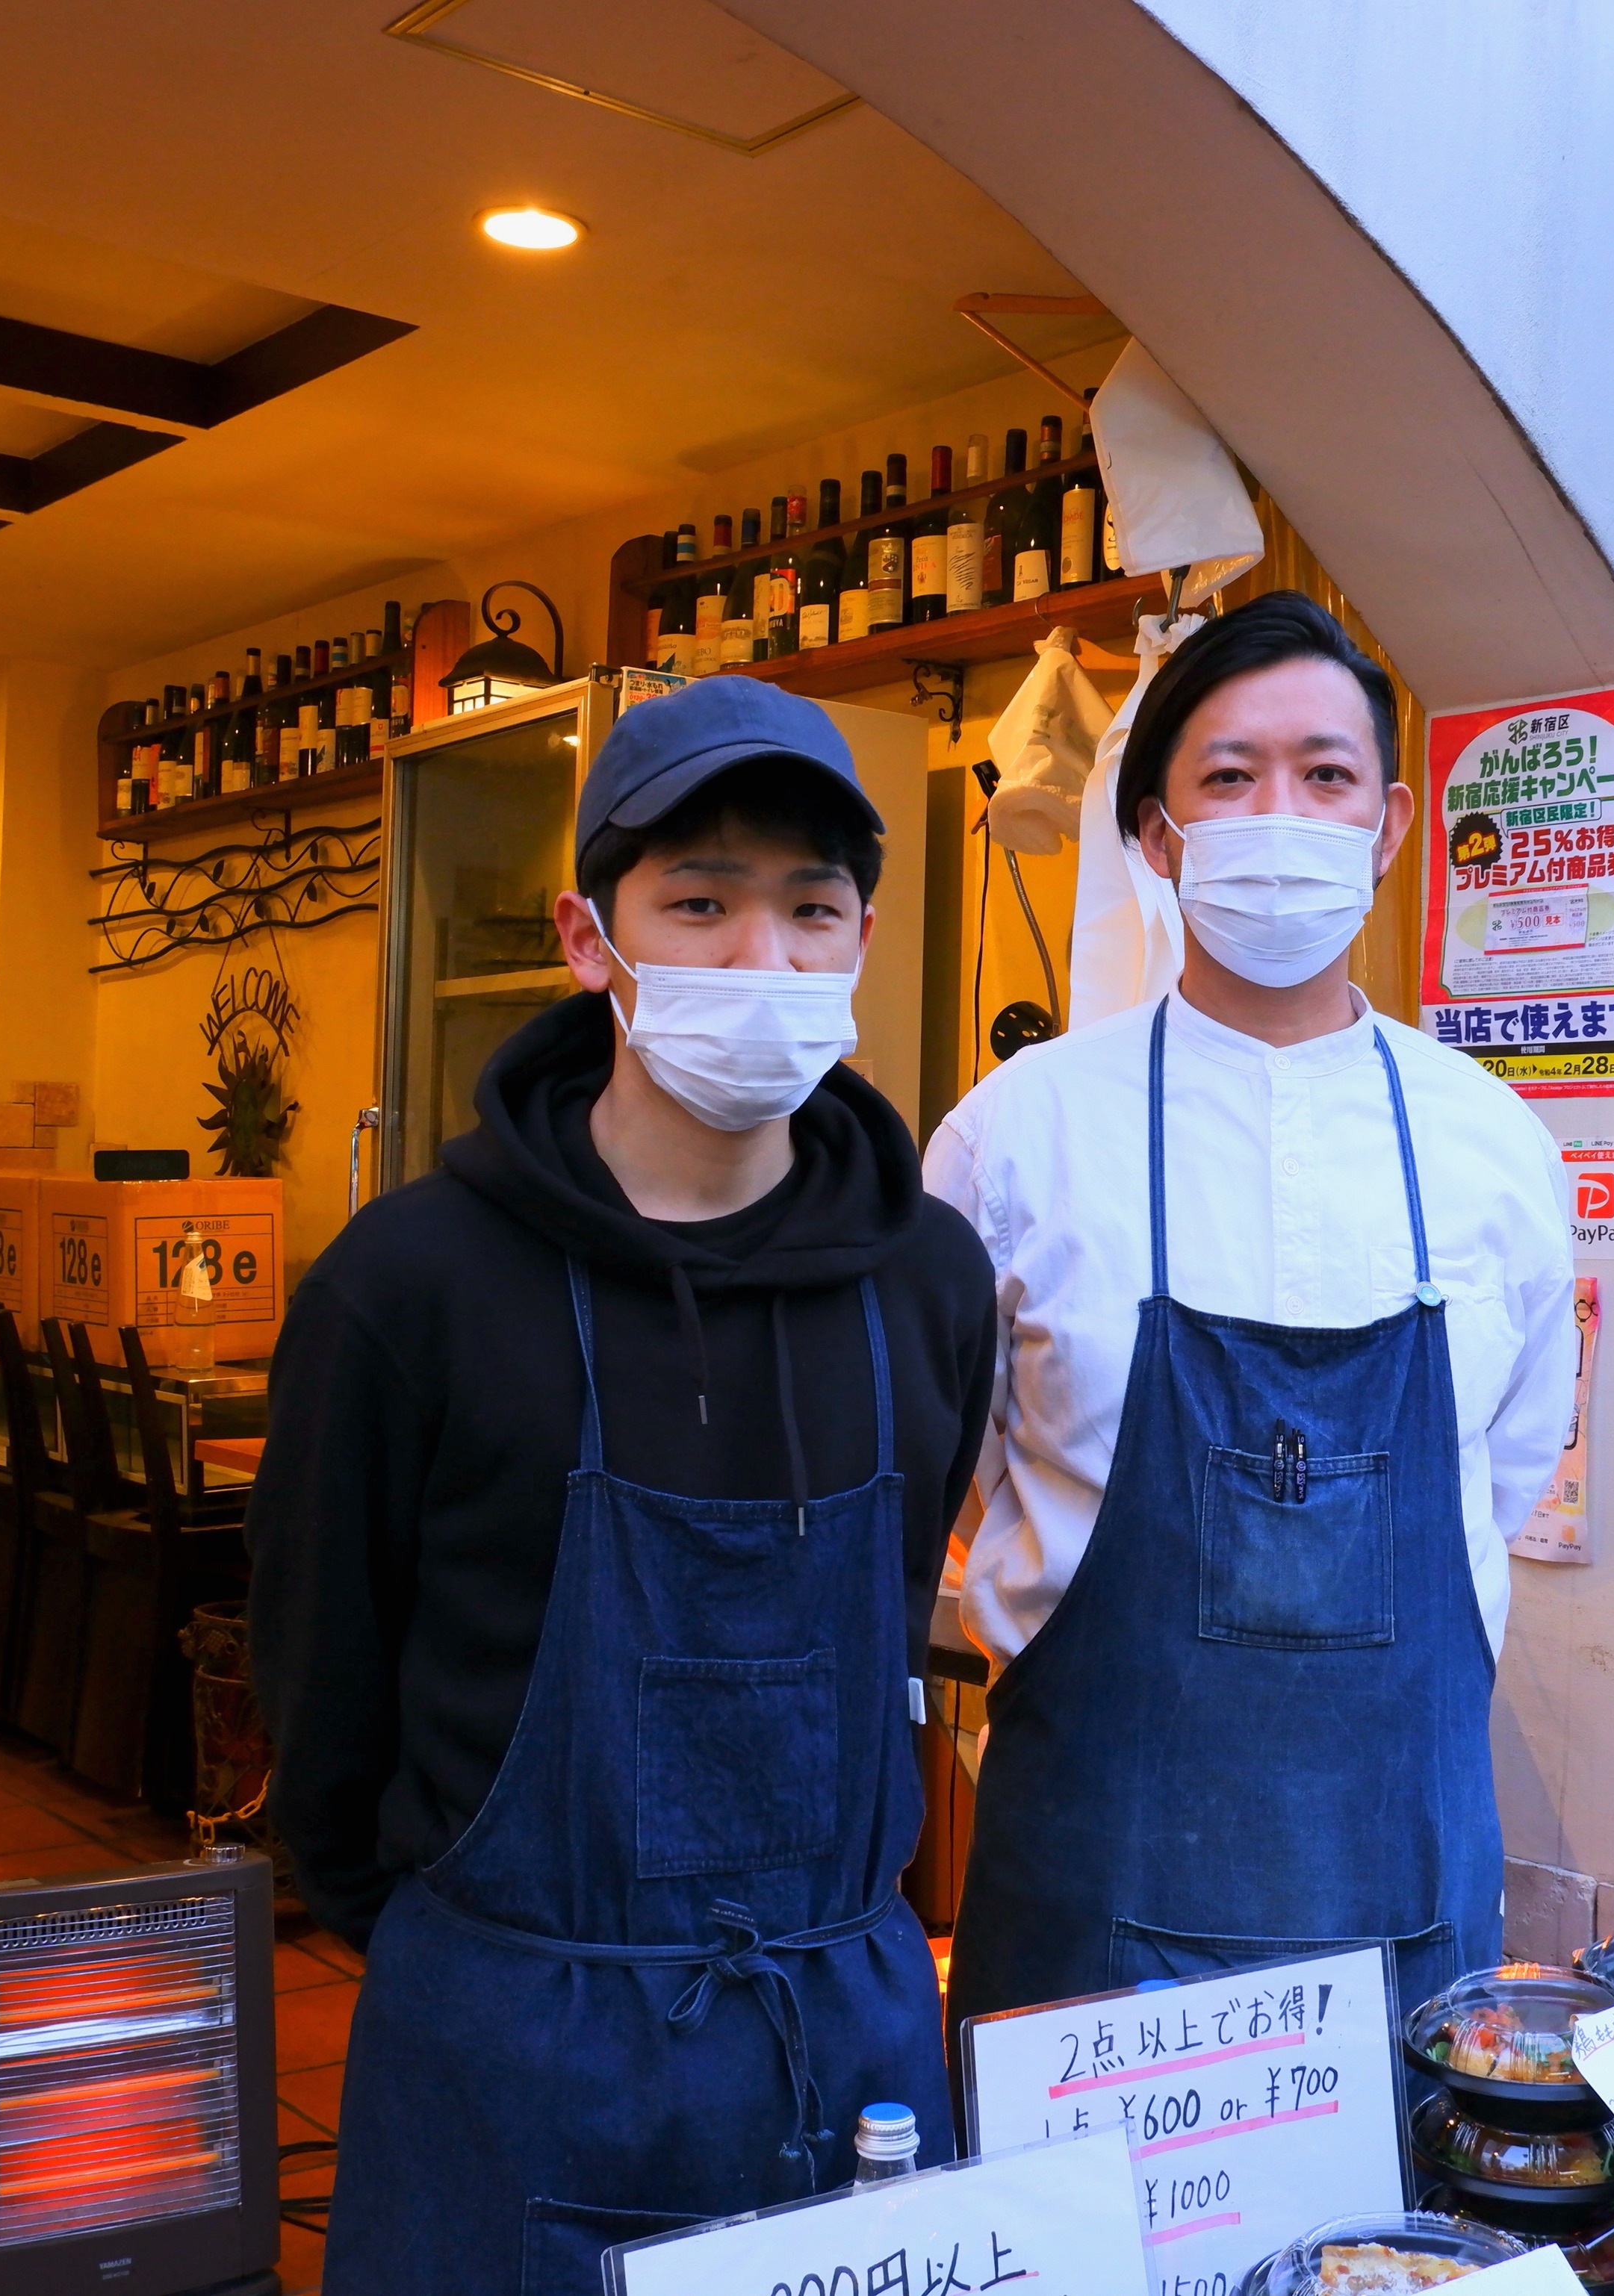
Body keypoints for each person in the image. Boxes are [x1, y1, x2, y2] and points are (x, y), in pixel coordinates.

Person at [249, 678, 996, 2296]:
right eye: (699, 903)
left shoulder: (931, 1279)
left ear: (861, 939)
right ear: (592, 937)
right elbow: (322, 1690)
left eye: (809, 910)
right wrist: (489, 1959)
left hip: (843, 2041)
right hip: (514, 2033)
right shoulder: (410, 1281)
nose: (760, 961)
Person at [929, 591, 1577, 2035]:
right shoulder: (1013, 1138)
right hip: (1091, 1887)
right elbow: (960, 1469)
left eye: (1326, 775)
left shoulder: (1491, 1143)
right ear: (1158, 839)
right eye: (1229, 777)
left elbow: (1509, 1460)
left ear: (1391, 825)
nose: (1280, 815)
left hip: (1402, 1893)